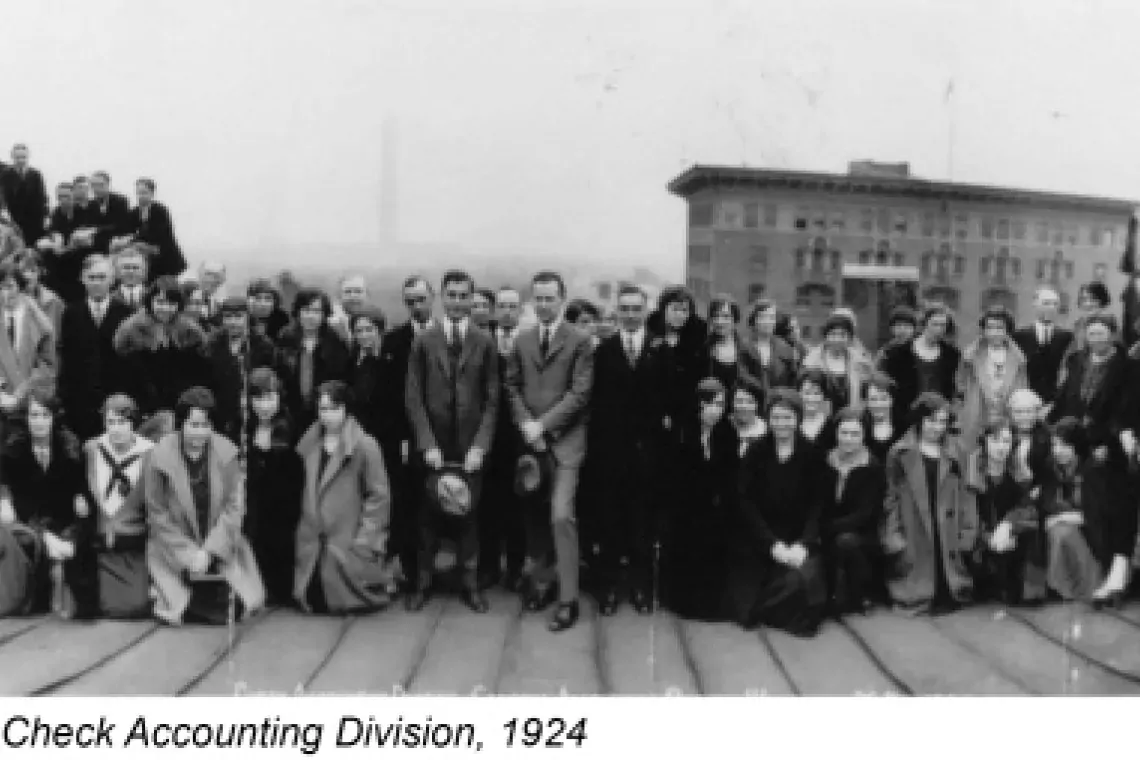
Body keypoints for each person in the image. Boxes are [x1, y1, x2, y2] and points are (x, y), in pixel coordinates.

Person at [404, 270, 499, 613]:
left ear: (472, 299)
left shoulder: (484, 341)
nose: (457, 302)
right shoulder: (424, 341)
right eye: (452, 296)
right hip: (434, 445)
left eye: (464, 296)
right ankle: (423, 582)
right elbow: (413, 396)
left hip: (469, 447)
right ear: (442, 298)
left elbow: (492, 399)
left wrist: (480, 446)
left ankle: (469, 583)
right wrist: (427, 443)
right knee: (427, 518)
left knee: (468, 516)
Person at [505, 270, 593, 632]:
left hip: (566, 443)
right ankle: (542, 584)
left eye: (549, 299)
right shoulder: (522, 340)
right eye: (538, 299)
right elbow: (511, 386)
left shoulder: (580, 341)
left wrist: (543, 426)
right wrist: (527, 425)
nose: (543, 305)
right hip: (531, 444)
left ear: (562, 299)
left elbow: (580, 393)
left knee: (560, 516)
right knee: (536, 517)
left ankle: (568, 599)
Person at [144, 387, 264, 625]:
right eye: (194, 425)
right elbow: (157, 512)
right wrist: (189, 554)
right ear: (181, 424)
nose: (200, 432)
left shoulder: (227, 453)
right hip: (173, 547)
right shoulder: (158, 456)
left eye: (205, 425)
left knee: (239, 604)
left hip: (219, 546)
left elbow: (234, 508)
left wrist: (209, 551)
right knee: (182, 602)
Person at [729, 388, 827, 636]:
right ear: (768, 418)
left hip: (798, 538)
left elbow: (818, 504)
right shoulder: (756, 452)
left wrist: (803, 544)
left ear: (798, 418)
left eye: (787, 417)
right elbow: (746, 502)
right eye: (776, 417)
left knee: (804, 585)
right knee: (746, 608)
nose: (781, 423)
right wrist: (772, 545)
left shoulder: (813, 453)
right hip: (761, 538)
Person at [590, 284, 662, 616]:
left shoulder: (660, 350)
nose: (631, 315)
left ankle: (640, 588)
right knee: (610, 522)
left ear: (646, 311)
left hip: (647, 454)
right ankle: (608, 589)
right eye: (625, 309)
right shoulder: (604, 352)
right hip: (612, 454)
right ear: (617, 312)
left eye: (636, 309)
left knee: (642, 524)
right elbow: (597, 405)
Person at [294, 381, 393, 614]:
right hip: (313, 541)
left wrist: (366, 540)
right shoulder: (309, 443)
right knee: (313, 597)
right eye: (323, 409)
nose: (327, 415)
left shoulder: (365, 445)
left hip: (346, 541)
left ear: (346, 408)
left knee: (344, 596)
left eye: (334, 409)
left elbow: (379, 496)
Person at [882, 393, 979, 613]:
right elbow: (891, 496)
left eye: (942, 421)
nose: (937, 427)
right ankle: (920, 594)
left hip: (948, 523)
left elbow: (968, 493)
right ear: (919, 420)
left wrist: (968, 530)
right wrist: (893, 534)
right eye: (931, 421)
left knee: (949, 564)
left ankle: (950, 589)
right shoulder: (899, 452)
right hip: (914, 522)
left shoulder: (958, 450)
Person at [0, 386, 86, 616]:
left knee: (75, 546)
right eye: (34, 415)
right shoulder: (13, 452)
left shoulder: (69, 450)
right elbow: (18, 502)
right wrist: (45, 536)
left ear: (54, 418)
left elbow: (78, 492)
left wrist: (79, 501)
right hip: (28, 522)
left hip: (64, 520)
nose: (39, 422)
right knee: (26, 540)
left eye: (45, 415)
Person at [662, 377, 739, 621]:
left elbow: (730, 472)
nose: (715, 410)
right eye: (710, 404)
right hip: (687, 504)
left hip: (715, 503)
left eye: (720, 405)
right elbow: (675, 472)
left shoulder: (727, 432)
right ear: (699, 405)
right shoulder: (684, 430)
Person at [72, 394, 155, 619]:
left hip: (132, 549)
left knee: (133, 606)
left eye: (122, 422)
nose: (116, 429)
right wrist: (80, 498)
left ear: (133, 424)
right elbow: (79, 487)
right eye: (111, 422)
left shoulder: (150, 455)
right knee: (88, 601)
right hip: (98, 550)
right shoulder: (92, 450)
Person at [384, 275, 437, 591]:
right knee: (409, 501)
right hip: (408, 437)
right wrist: (403, 439)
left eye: (421, 299)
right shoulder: (394, 341)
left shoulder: (447, 335)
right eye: (410, 301)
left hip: (444, 433)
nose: (417, 306)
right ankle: (414, 571)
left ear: (433, 298)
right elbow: (393, 396)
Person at [966, 418, 1045, 606]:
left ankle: (1030, 592)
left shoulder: (1016, 470)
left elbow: (1028, 508)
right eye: (995, 440)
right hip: (981, 540)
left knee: (1033, 530)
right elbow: (968, 516)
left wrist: (1008, 526)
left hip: (1008, 536)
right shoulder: (973, 473)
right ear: (985, 441)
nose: (1001, 447)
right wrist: (989, 538)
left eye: (1006, 441)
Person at [479, 285, 526, 592]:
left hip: (520, 434)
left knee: (518, 503)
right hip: (489, 433)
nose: (507, 312)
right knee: (488, 503)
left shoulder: (528, 342)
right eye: (503, 306)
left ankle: (516, 568)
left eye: (513, 306)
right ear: (495, 310)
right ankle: (489, 566)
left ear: (520, 310)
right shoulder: (483, 342)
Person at [112, 276, 210, 419]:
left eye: (171, 303)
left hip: (182, 407)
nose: (165, 308)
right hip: (142, 407)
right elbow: (125, 376)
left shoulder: (190, 331)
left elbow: (198, 375)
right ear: (150, 301)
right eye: (160, 302)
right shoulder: (131, 330)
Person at [244, 368, 302, 606]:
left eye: (269, 398)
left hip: (283, 505)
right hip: (252, 502)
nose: (264, 405)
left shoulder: (291, 428)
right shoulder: (243, 428)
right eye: (258, 398)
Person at [58, 255, 132, 442]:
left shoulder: (125, 313)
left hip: (116, 399)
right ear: (82, 279)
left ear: (112, 279)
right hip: (80, 401)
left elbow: (131, 362)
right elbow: (67, 359)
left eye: (101, 277)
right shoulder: (71, 313)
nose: (97, 283)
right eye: (91, 277)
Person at [820, 407, 885, 614]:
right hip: (826, 525)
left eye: (855, 434)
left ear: (864, 435)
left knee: (846, 541)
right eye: (844, 433)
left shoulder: (872, 466)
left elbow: (865, 513)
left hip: (860, 531)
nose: (848, 439)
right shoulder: (825, 461)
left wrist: (828, 528)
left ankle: (860, 594)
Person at [1049, 314, 1129, 454]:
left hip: (1107, 442)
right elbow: (1063, 397)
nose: (1096, 339)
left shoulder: (1127, 367)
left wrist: (1107, 443)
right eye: (1092, 334)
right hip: (1072, 437)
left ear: (1113, 335)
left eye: (1100, 334)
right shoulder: (1075, 361)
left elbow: (1124, 410)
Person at [276, 288, 352, 434]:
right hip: (291, 413)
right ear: (298, 312)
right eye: (306, 310)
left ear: (324, 314)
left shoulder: (335, 342)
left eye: (316, 311)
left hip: (325, 413)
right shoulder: (286, 338)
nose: (311, 316)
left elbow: (342, 381)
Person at [877, 304, 961, 433]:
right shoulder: (898, 353)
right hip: (905, 417)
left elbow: (955, 388)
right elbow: (889, 387)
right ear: (924, 324)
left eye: (943, 325)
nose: (939, 329)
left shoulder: (952, 354)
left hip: (939, 418)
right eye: (935, 324)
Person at [204, 297, 276, 445]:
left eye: (238, 317)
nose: (233, 322)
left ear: (247, 318)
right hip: (219, 416)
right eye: (228, 317)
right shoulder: (211, 345)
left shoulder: (263, 346)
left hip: (254, 415)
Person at [956, 305, 1027, 450]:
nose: (994, 332)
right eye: (990, 327)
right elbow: (960, 385)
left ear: (1007, 330)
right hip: (977, 415)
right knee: (974, 454)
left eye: (999, 328)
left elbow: (1023, 391)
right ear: (983, 330)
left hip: (1007, 416)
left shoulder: (1019, 358)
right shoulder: (970, 356)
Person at [0, 259, 57, 409]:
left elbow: (48, 365)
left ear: (20, 287)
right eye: (0, 288)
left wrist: (22, 392)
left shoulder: (38, 321)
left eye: (9, 286)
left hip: (31, 404)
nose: (4, 293)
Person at [1012, 286, 1073, 414]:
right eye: (1046, 303)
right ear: (1035, 304)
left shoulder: (1067, 337)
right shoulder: (1019, 336)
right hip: (1025, 402)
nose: (1051, 307)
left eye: (1055, 304)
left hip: (1057, 403)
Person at [801, 312, 873, 412]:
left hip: (850, 416)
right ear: (826, 336)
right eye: (833, 334)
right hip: (819, 415)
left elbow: (867, 392)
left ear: (850, 338)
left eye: (843, 335)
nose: (837, 339)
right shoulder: (812, 361)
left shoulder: (860, 360)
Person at [118, 178, 186, 281]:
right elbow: (128, 231)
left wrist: (134, 239)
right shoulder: (134, 212)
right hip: (145, 258)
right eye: (138, 193)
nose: (141, 196)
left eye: (144, 193)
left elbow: (159, 234)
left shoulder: (160, 210)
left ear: (152, 193)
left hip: (165, 256)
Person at [703, 295, 760, 410]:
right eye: (716, 316)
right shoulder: (703, 349)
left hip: (741, 410)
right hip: (711, 410)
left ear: (735, 319)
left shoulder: (748, 350)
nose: (720, 321)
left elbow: (758, 387)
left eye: (726, 316)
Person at [739, 299, 798, 408]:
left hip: (779, 404)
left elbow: (792, 380)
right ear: (754, 320)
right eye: (763, 317)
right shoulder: (743, 347)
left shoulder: (785, 348)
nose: (767, 322)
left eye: (771, 317)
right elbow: (742, 375)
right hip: (750, 403)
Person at [0, 144, 48, 246]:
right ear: (12, 157)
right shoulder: (5, 175)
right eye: (18, 157)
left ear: (28, 157)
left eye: (23, 157)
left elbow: (42, 198)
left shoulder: (35, 175)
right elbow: (3, 196)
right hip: (13, 220)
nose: (21, 160)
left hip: (34, 219)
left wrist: (45, 217)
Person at [17, 250, 63, 338]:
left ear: (40, 272)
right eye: (23, 271)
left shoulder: (54, 301)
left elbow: (58, 336)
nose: (28, 276)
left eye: (33, 271)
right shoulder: (6, 300)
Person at [861, 372, 904, 462]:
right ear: (866, 402)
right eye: (873, 399)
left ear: (892, 400)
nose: (878, 404)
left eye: (883, 399)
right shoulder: (859, 427)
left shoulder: (904, 428)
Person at [87, 171, 131, 254]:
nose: (97, 188)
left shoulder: (120, 201)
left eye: (100, 185)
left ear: (108, 184)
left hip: (116, 242)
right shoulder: (91, 204)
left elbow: (122, 226)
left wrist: (97, 229)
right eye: (94, 185)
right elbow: (89, 225)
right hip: (95, 244)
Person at [797, 369, 833, 446]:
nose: (811, 398)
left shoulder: (832, 425)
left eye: (817, 393)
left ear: (824, 396)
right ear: (798, 393)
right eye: (807, 393)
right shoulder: (791, 423)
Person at [731, 382, 766, 456]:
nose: (743, 406)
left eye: (749, 402)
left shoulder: (766, 431)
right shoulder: (723, 426)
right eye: (739, 401)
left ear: (757, 404)